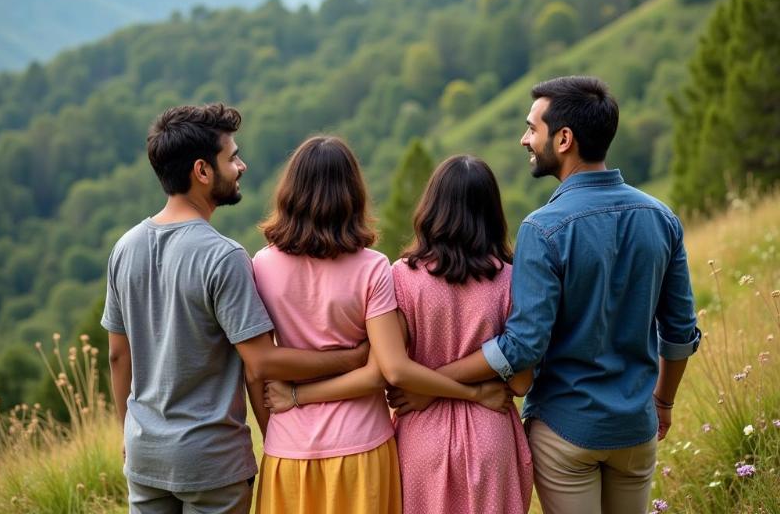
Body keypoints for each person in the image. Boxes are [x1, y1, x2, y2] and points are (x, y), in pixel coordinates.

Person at [390, 76, 700, 514]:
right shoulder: (661, 218)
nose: (525, 139)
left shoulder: (543, 228)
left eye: (532, 128)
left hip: (565, 429)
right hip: (635, 427)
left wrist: (435, 382)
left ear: (564, 138)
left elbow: (523, 346)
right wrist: (663, 402)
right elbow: (681, 331)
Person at [102, 104, 369, 514]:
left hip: (144, 456)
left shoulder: (125, 248)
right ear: (202, 171)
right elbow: (261, 362)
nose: (240, 166)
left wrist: (128, 430)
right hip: (212, 463)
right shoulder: (223, 256)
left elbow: (119, 355)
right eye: (232, 157)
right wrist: (352, 357)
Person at [252, 136, 513, 514]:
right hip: (363, 444)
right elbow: (383, 372)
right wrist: (473, 394)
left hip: (287, 449)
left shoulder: (260, 265)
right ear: (353, 194)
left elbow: (255, 368)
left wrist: (289, 407)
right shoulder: (372, 267)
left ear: (288, 192)